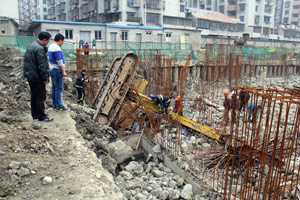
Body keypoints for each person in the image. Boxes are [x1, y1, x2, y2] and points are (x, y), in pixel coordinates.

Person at [24, 31, 53, 122]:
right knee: (40, 97)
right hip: (37, 77)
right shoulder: (39, 49)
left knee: (34, 96)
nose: (48, 42)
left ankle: (35, 114)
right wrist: (45, 78)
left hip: (31, 76)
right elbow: (42, 65)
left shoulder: (31, 45)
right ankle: (41, 116)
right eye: (48, 41)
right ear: (44, 40)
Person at [48, 34, 68, 111]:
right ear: (60, 40)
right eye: (62, 41)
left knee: (54, 88)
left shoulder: (50, 46)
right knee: (59, 88)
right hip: (57, 70)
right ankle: (59, 106)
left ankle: (55, 105)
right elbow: (59, 61)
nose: (62, 43)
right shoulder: (57, 48)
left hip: (52, 69)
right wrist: (63, 71)